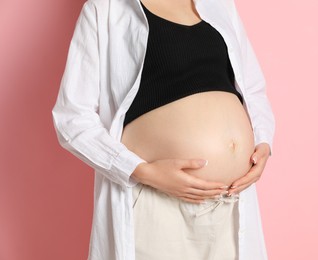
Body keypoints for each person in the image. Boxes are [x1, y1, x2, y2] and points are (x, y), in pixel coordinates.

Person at [51, 0, 275, 259]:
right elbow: (71, 117)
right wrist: (142, 172)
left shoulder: (220, 4)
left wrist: (262, 144)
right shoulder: (106, 9)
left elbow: (253, 89)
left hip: (232, 205)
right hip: (158, 203)